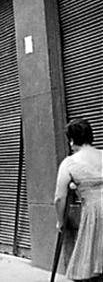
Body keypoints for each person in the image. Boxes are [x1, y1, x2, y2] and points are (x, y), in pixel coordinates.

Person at [54, 118, 103, 280]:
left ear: (72, 140)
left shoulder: (69, 163)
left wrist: (60, 221)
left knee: (90, 262)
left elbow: (59, 198)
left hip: (94, 213)